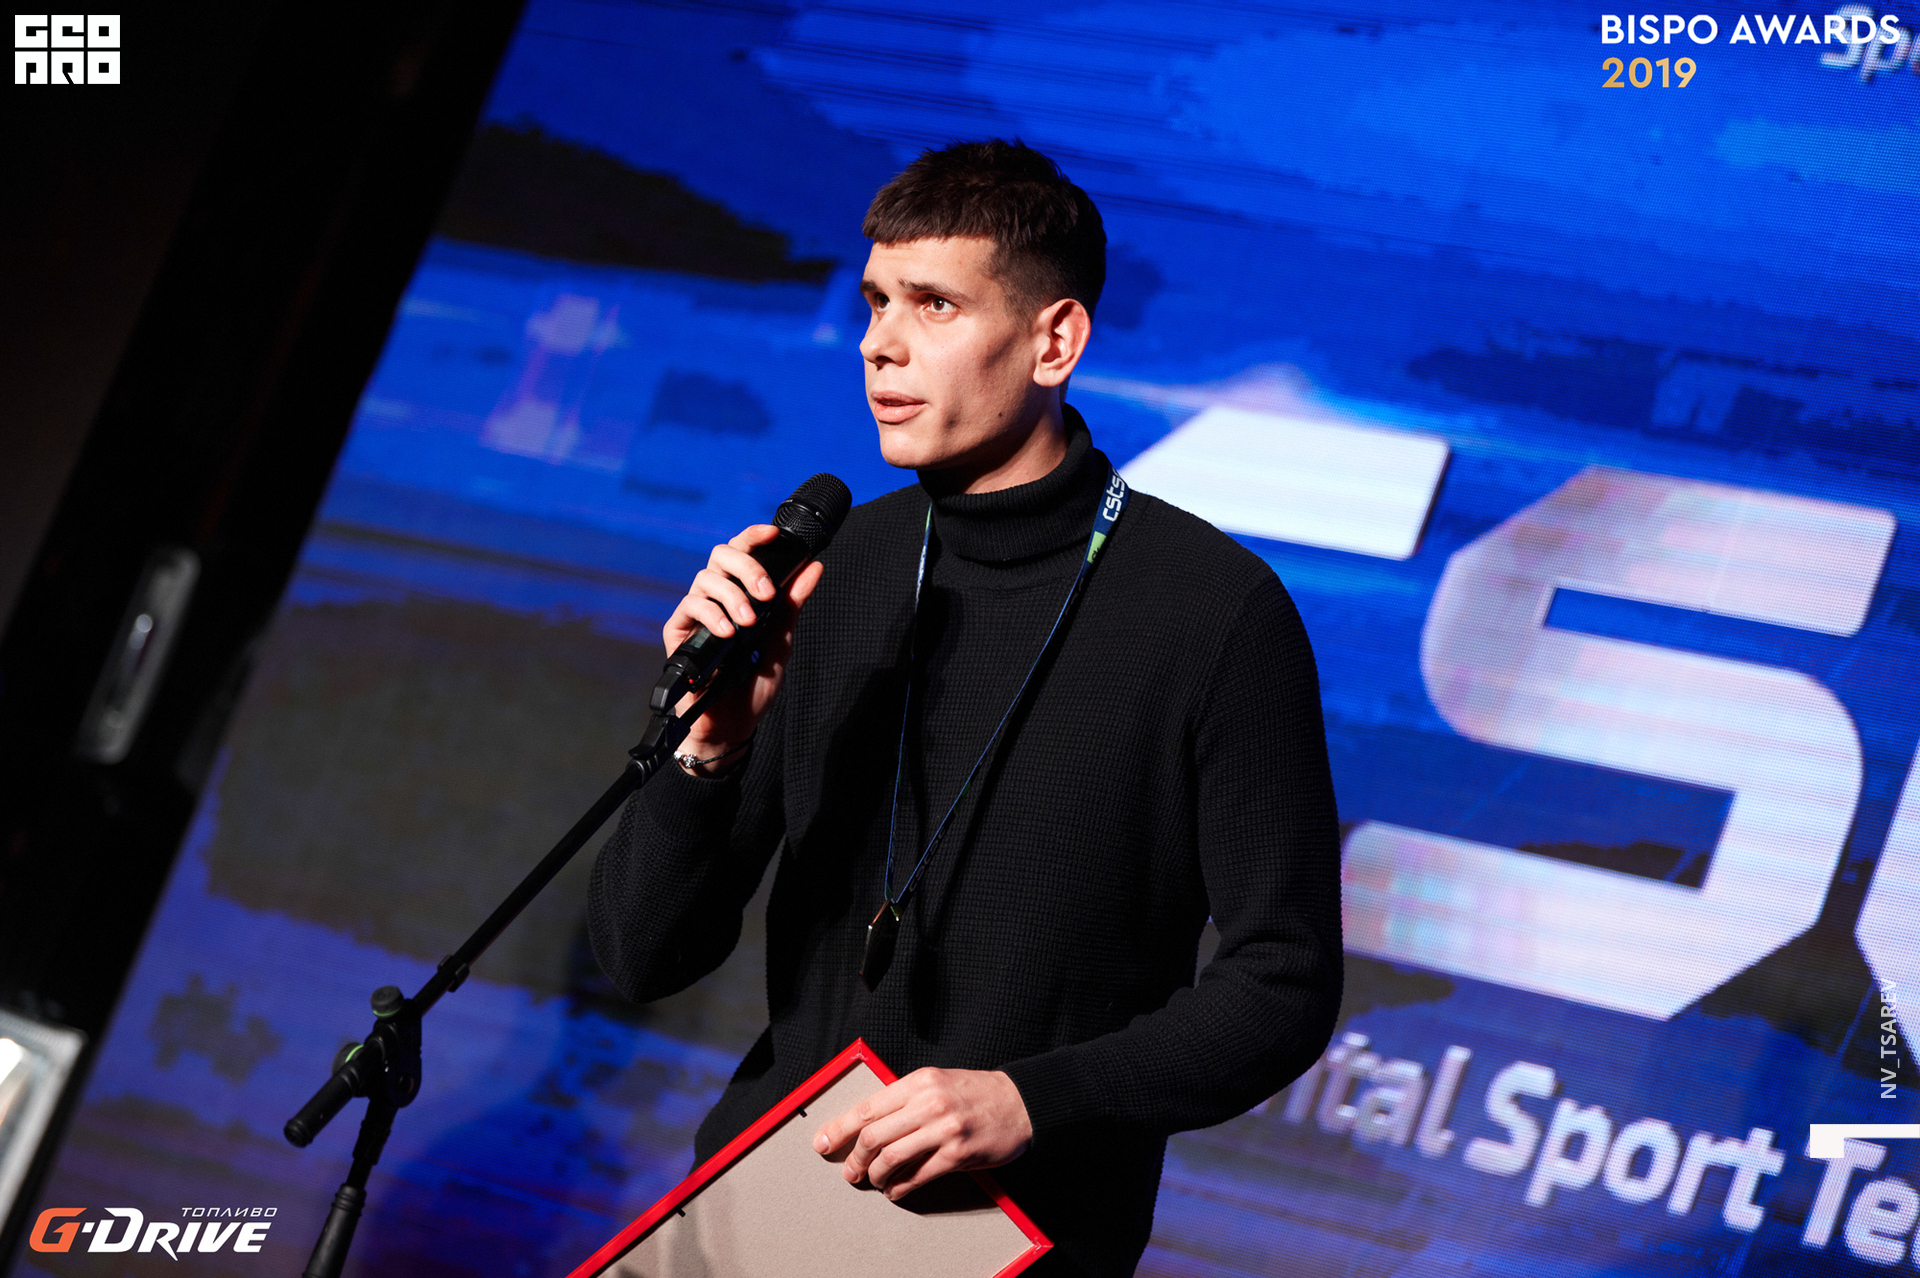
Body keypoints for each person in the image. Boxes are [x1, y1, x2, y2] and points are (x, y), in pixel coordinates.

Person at [588, 139, 1342, 1277]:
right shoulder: (832, 574)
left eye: (934, 304)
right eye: (876, 302)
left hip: (1010, 1243)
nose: (880, 344)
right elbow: (641, 954)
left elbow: (1283, 981)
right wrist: (712, 748)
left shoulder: (1213, 611)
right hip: (755, 1216)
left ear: (1055, 342)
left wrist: (1032, 1101)